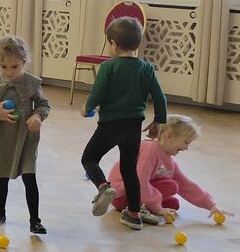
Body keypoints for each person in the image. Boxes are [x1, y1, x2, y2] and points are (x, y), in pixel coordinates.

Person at [80, 16, 167, 230]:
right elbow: (160, 97)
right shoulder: (146, 68)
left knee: (89, 158)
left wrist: (87, 107)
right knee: (129, 170)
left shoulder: (108, 67)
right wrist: (158, 121)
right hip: (133, 127)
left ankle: (103, 187)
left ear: (113, 44)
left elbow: (97, 93)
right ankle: (134, 215)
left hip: (110, 125)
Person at [0, 35, 50, 233]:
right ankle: (0, 212)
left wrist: (37, 116)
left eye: (15, 67)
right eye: (4, 67)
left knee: (29, 177)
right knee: (2, 177)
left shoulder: (32, 83)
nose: (9, 72)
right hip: (2, 138)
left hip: (26, 138)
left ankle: (35, 220)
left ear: (24, 63)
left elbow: (44, 104)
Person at [105, 115, 222, 221]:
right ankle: (135, 208)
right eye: (186, 142)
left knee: (173, 204)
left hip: (132, 192)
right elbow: (140, 181)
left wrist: (211, 205)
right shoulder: (149, 150)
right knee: (170, 186)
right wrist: (158, 208)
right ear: (169, 136)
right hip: (121, 194)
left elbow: (185, 185)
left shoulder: (167, 159)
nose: (187, 148)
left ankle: (145, 206)